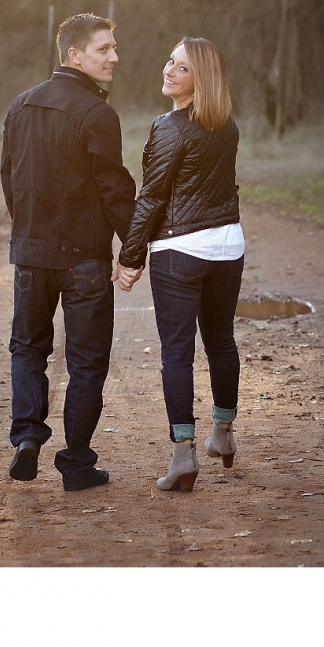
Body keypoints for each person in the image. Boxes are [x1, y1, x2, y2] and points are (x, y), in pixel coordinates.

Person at [0, 12, 137, 491]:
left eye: (113, 48)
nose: (114, 57)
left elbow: (10, 180)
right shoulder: (98, 114)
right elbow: (115, 192)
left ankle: (26, 438)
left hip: (31, 256)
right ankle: (76, 464)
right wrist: (134, 250)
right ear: (74, 55)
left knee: (27, 349)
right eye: (104, 49)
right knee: (86, 362)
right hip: (85, 261)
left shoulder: (20, 106)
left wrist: (28, 233)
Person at [115, 37, 244, 492]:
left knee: (177, 351)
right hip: (228, 245)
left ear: (201, 79)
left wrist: (130, 258)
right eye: (170, 60)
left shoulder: (169, 126)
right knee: (221, 342)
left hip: (180, 250)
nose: (169, 70)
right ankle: (223, 435)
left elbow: (152, 197)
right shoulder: (225, 124)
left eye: (182, 67)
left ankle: (183, 454)